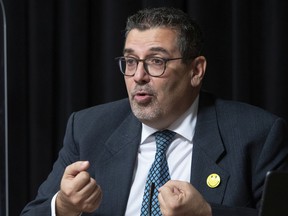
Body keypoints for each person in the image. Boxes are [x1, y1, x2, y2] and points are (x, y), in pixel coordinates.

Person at [21, 7, 288, 216]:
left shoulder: (258, 134)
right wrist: (65, 207)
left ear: (196, 71)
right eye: (130, 61)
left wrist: (207, 213)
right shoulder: (88, 128)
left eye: (156, 61)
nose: (138, 76)